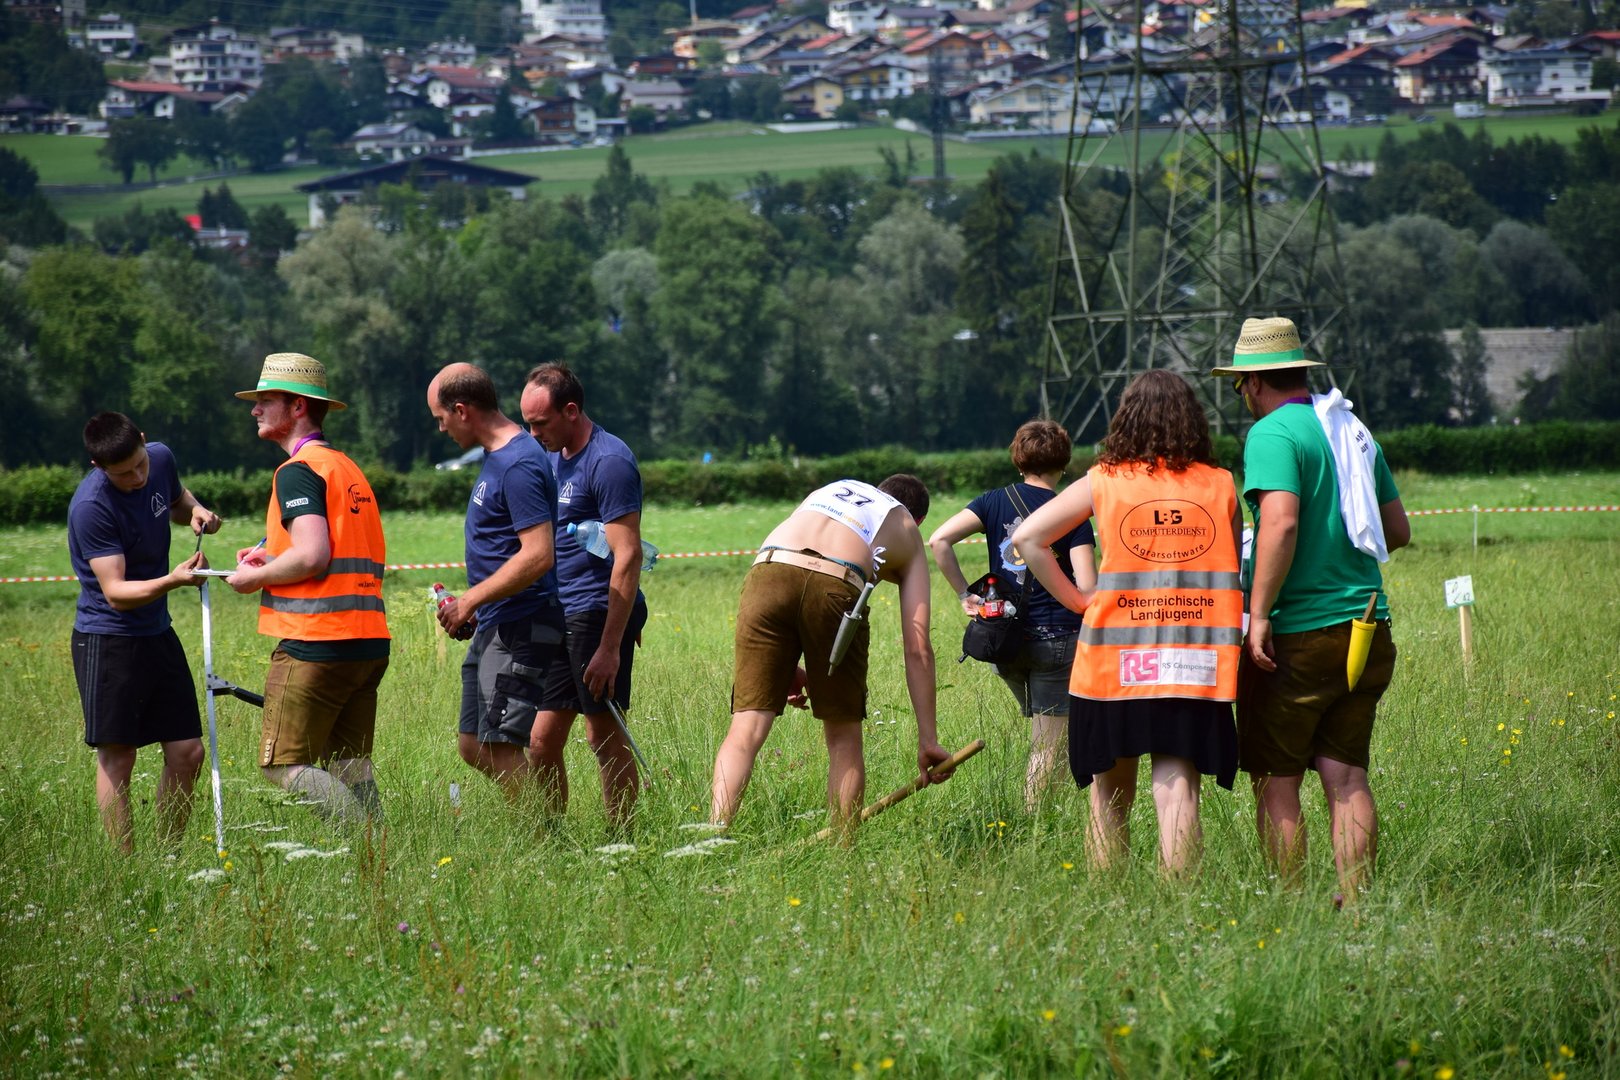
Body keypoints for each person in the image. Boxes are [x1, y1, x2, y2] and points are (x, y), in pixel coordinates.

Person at [1014, 372, 1243, 875]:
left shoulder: (1104, 480)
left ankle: (1109, 899)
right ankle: (1182, 900)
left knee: (1109, 792)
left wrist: (1079, 600)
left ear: (1127, 418)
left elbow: (1028, 538)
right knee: (1178, 786)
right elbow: (1233, 570)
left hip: (1114, 662)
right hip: (1195, 661)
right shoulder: (1221, 484)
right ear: (1192, 419)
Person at [1211, 317, 1410, 896]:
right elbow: (1397, 530)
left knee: (1277, 779)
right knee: (1346, 778)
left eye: (1239, 386)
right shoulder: (1351, 429)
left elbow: (1281, 522)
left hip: (1298, 635)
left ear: (1252, 382)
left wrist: (1261, 614)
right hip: (1367, 627)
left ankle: (1292, 906)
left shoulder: (1271, 433)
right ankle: (1356, 903)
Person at [710, 475, 954, 839]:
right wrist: (928, 741)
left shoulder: (832, 489)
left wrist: (785, 665)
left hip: (768, 572)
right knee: (843, 736)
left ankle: (711, 840)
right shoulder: (905, 526)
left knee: (745, 729)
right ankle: (842, 853)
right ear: (918, 520)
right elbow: (917, 647)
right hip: (837, 581)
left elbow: (798, 570)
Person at [227, 353, 389, 827]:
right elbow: (330, 550)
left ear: (297, 406)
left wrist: (254, 577)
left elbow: (314, 554)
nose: (255, 409)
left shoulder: (296, 471)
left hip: (317, 640)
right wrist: (273, 558)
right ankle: (382, 851)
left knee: (282, 765)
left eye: (266, 400)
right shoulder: (345, 468)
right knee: (349, 763)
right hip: (367, 640)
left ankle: (367, 842)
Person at [68, 412, 221, 854]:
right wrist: (174, 580)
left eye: (140, 465)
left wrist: (197, 512)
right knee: (120, 756)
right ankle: (127, 866)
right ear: (99, 467)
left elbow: (177, 501)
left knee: (188, 752)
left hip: (157, 630)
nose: (137, 478)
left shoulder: (162, 459)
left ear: (143, 440)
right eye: (123, 474)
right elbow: (116, 592)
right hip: (108, 637)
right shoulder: (91, 507)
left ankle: (167, 856)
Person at [928, 420, 1096, 812]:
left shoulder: (992, 501)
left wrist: (965, 594)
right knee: (1049, 743)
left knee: (1048, 734)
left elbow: (939, 540)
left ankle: (1046, 809)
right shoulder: (1072, 515)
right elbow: (1088, 587)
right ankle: (1036, 824)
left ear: (1018, 460)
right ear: (1064, 464)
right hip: (1057, 639)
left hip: (1003, 640)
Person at [429, 363, 567, 804]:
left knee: (497, 746)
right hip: (497, 621)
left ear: (462, 410)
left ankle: (546, 838)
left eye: (441, 418)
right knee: (474, 744)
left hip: (521, 625)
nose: (441, 428)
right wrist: (475, 604)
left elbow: (538, 554)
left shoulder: (518, 464)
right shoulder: (498, 457)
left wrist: (471, 599)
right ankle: (543, 830)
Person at [519, 363, 647, 829]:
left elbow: (628, 556)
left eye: (540, 423)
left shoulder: (608, 461)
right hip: (558, 612)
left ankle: (621, 840)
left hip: (596, 612)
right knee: (540, 741)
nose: (533, 434)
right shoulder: (551, 458)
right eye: (527, 424)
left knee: (602, 735)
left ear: (571, 411)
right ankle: (552, 838)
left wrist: (611, 646)